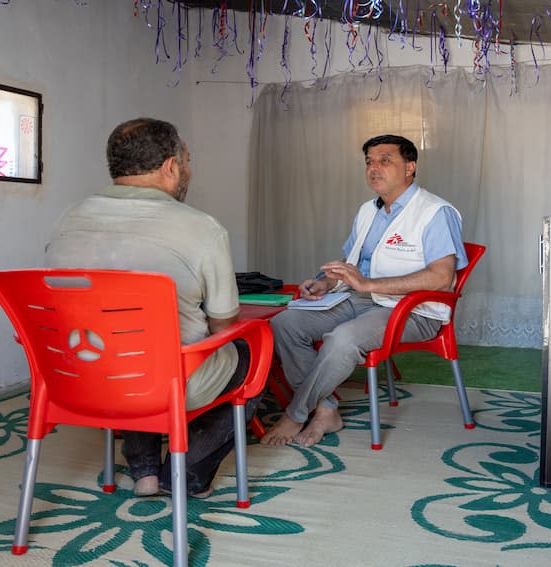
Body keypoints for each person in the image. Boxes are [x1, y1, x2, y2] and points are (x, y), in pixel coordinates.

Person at [45, 117, 262, 498]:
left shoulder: (68, 219)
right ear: (170, 166)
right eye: (187, 161)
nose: (189, 171)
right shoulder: (202, 227)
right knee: (250, 353)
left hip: (80, 374)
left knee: (127, 347)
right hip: (166, 383)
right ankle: (186, 475)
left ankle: (143, 470)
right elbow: (222, 323)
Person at [261, 134, 468, 448]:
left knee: (342, 339)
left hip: (412, 310)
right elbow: (352, 261)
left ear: (410, 167)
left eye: (385, 160)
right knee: (284, 324)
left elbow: (442, 277)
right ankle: (327, 409)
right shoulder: (368, 211)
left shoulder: (435, 212)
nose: (374, 168)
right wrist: (326, 281)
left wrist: (370, 284)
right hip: (360, 299)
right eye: (369, 162)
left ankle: (295, 413)